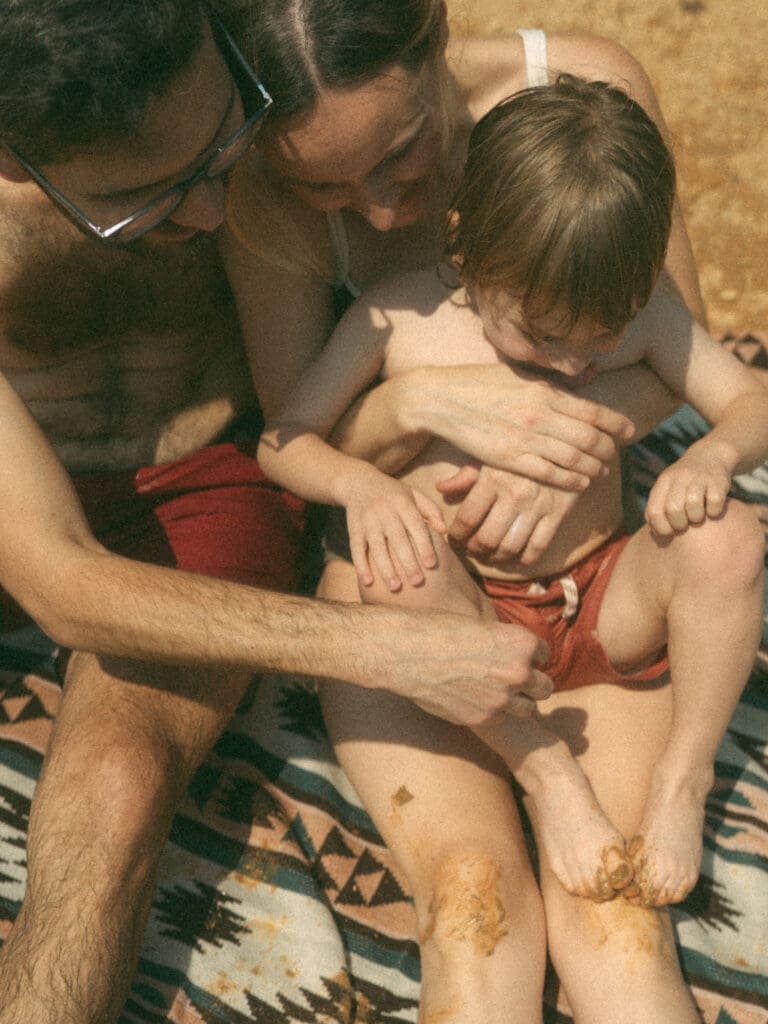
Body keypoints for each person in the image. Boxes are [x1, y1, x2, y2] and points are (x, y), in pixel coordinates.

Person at [0, 3, 599, 1021]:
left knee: (116, 787)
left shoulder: (232, 65)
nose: (212, 211)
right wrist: (383, 648)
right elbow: (60, 577)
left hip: (202, 474)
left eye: (224, 148)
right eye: (147, 200)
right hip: (28, 497)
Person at [257, 76, 767, 1023]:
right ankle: (546, 773)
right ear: (465, 249)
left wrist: (712, 454)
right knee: (398, 570)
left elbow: (751, 400)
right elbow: (283, 440)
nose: (575, 368)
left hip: (594, 606)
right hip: (458, 621)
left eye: (601, 343)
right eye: (542, 337)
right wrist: (366, 486)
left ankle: (682, 777)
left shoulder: (637, 305)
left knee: (730, 536)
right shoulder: (403, 320)